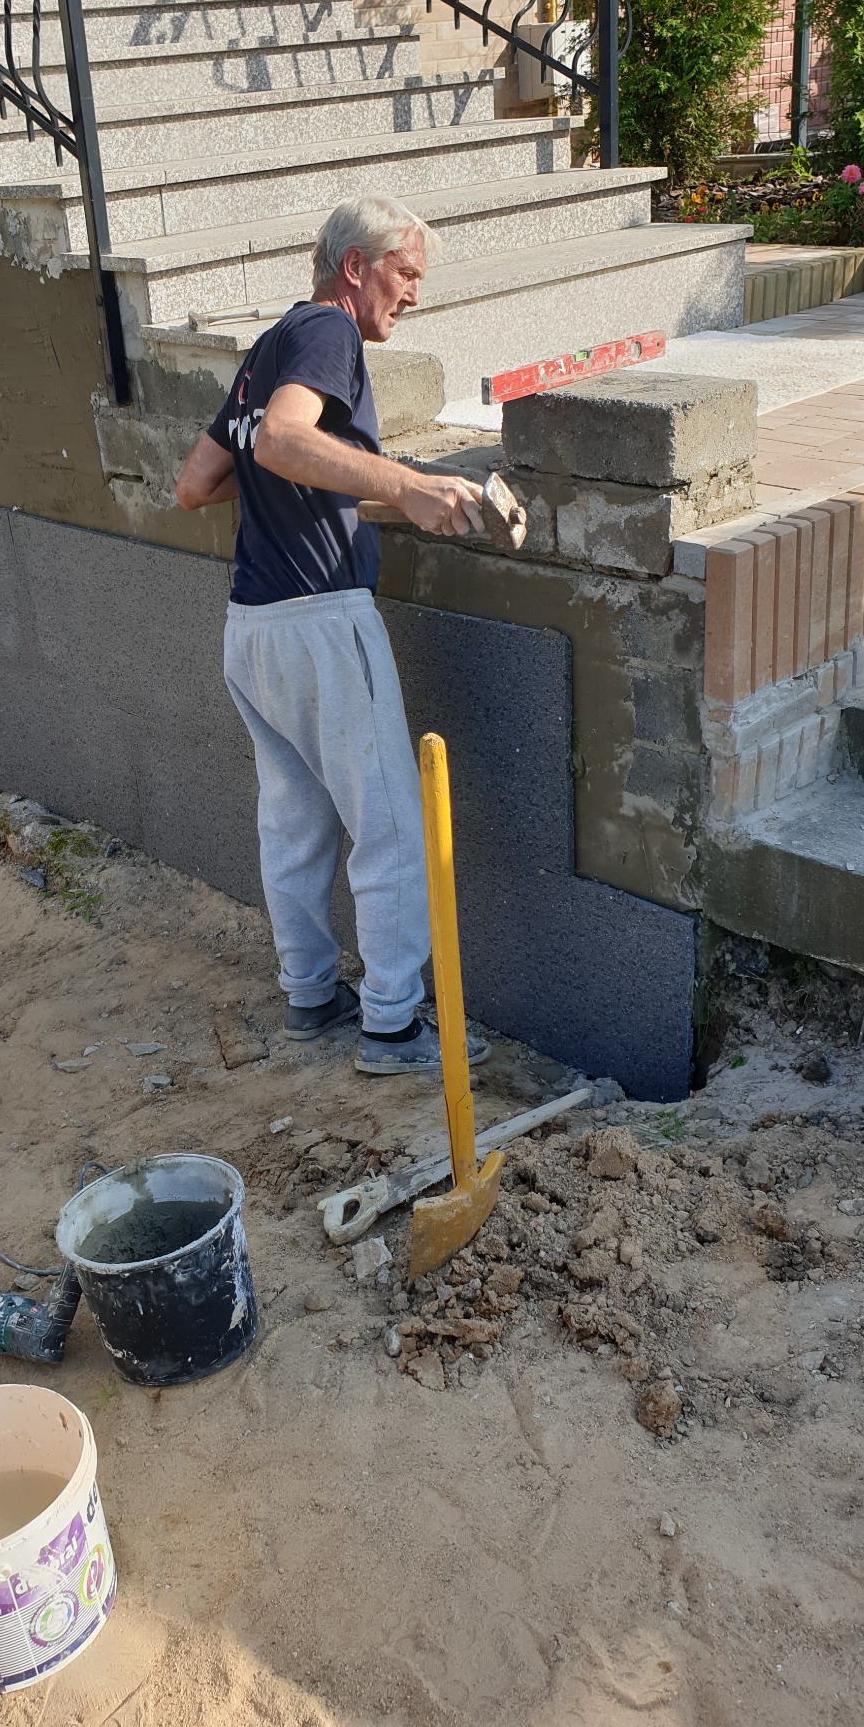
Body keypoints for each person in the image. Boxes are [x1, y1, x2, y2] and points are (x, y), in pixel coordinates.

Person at [175, 193, 491, 1073]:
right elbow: (281, 441)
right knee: (390, 824)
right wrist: (408, 484)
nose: (414, 293)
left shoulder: (265, 350)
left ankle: (311, 994)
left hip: (252, 628)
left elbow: (198, 482)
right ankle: (391, 1024)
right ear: (355, 266)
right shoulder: (327, 332)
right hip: (320, 617)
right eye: (406, 272)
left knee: (296, 822)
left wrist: (316, 481)